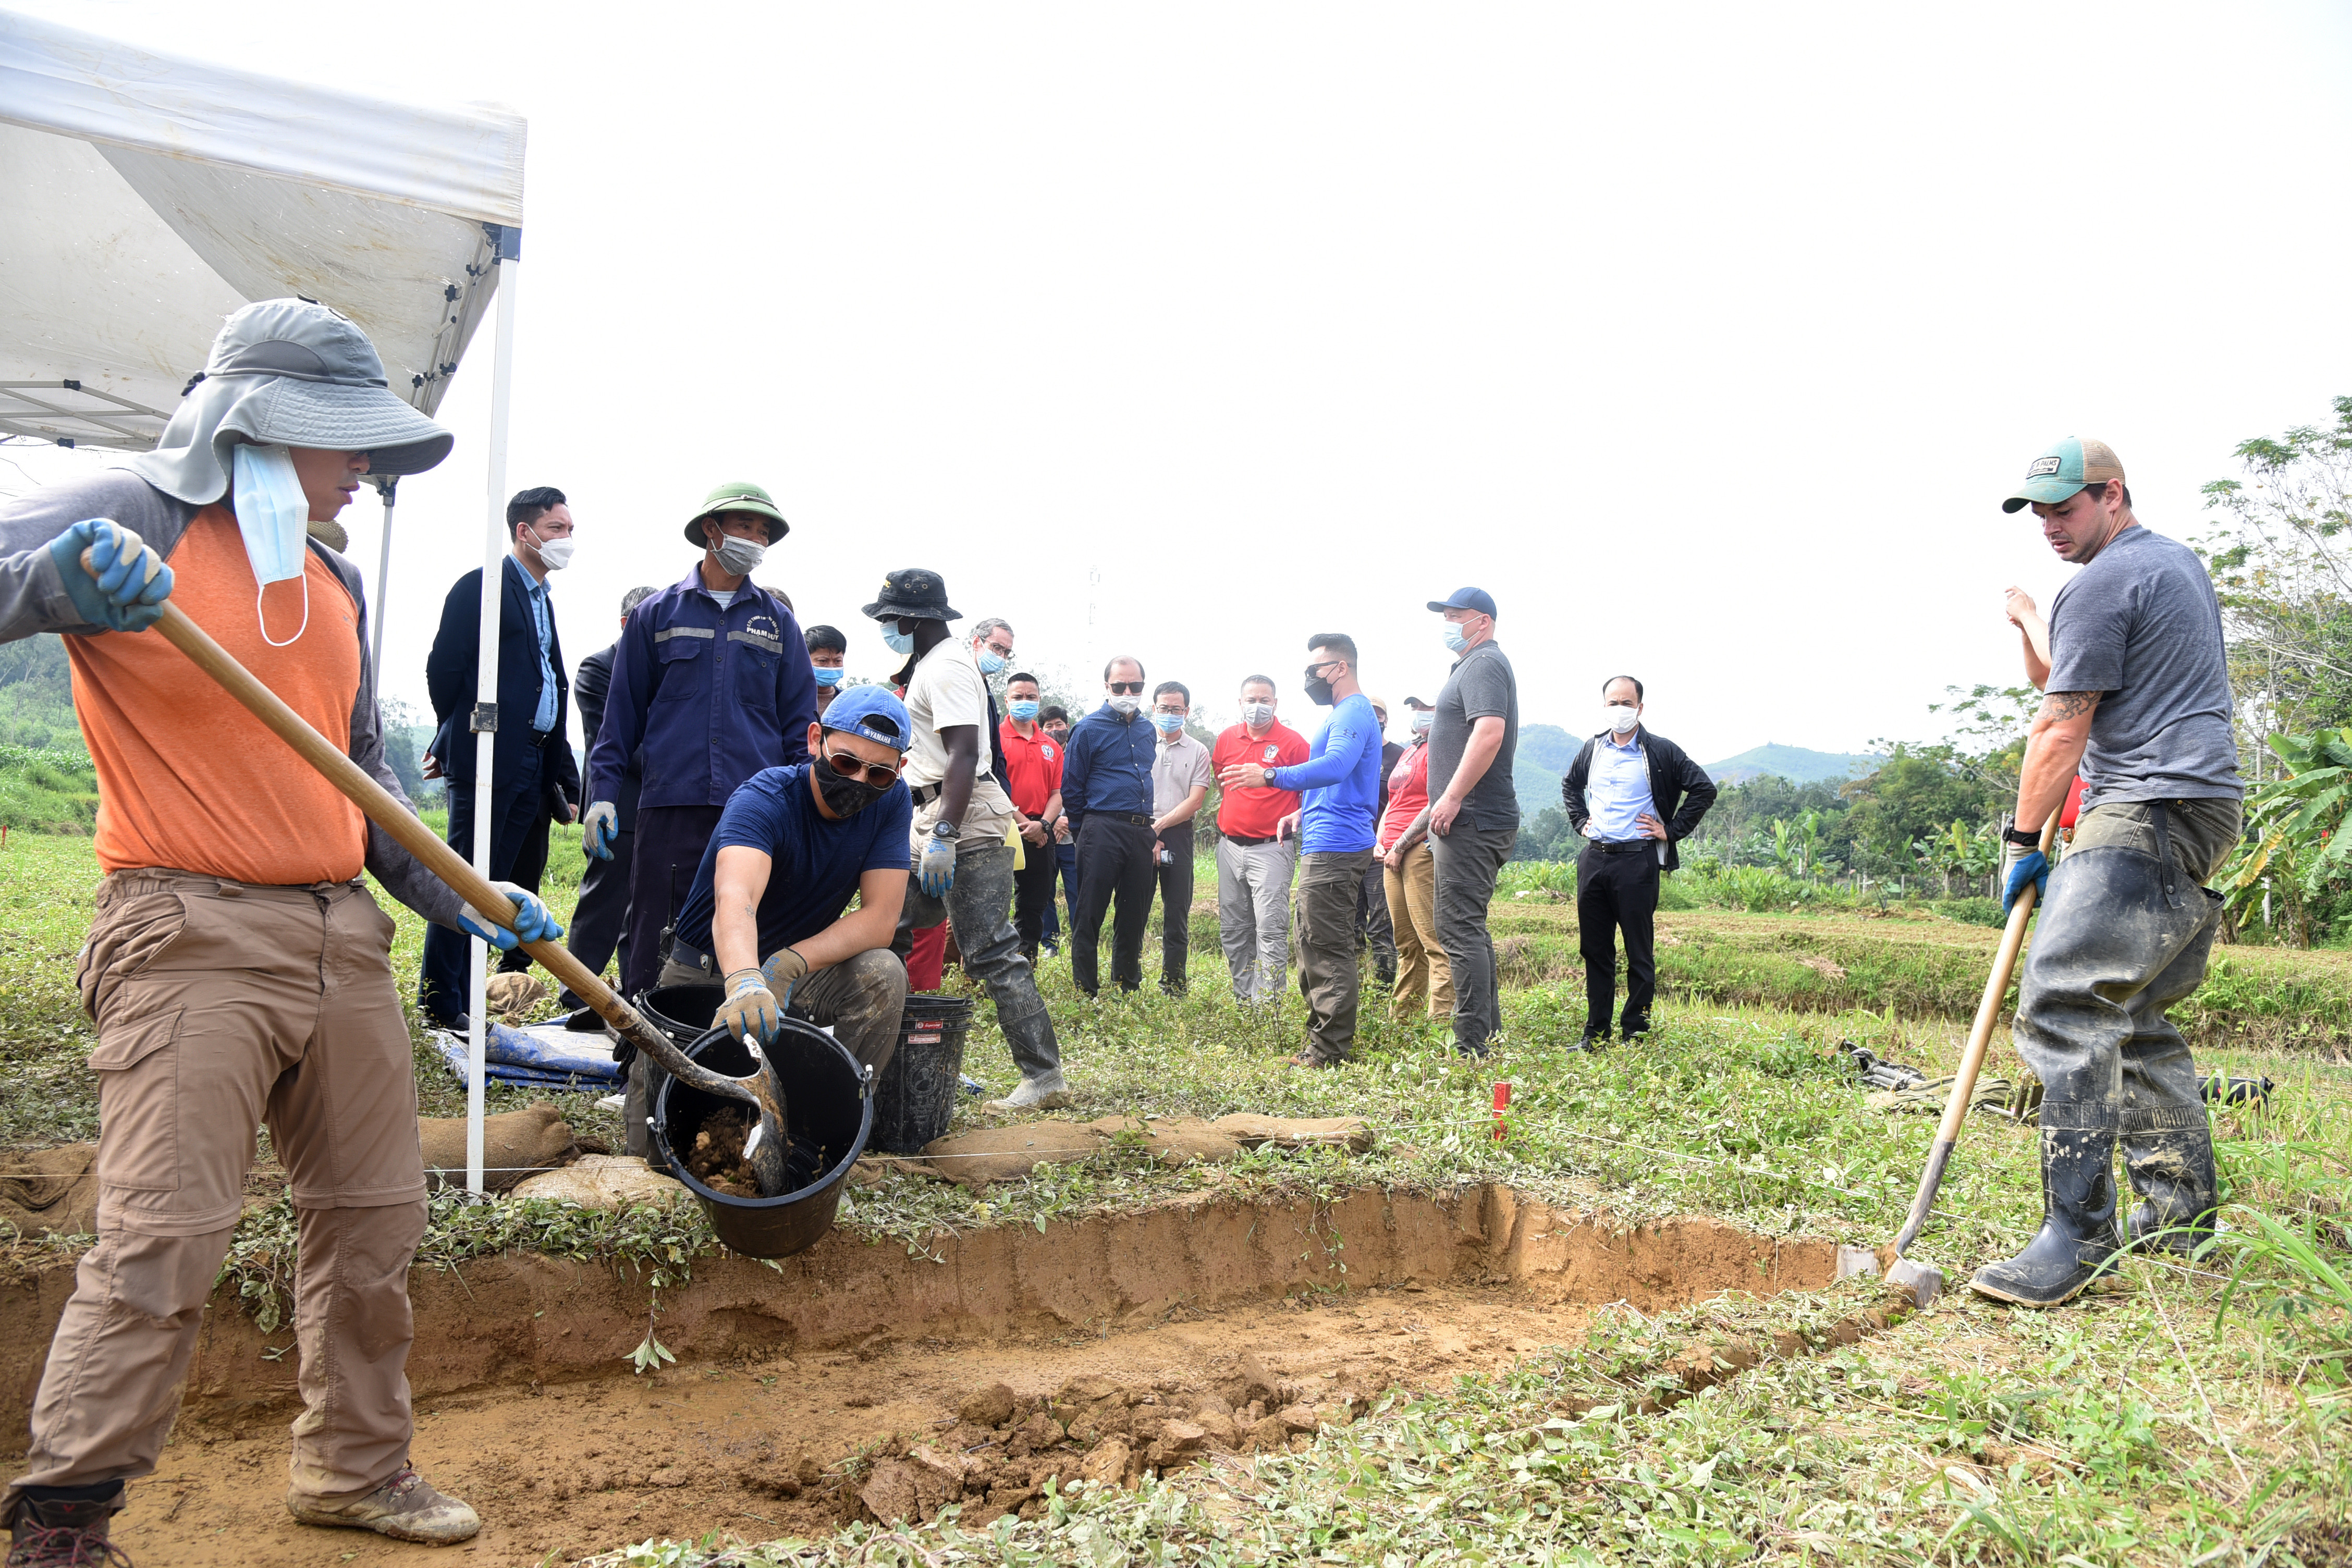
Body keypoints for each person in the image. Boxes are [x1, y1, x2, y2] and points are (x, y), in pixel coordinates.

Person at [0, 300, 557, 1555]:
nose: (364, 460)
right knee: (164, 1234)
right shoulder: (136, 515)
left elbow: (367, 787)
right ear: (257, 424)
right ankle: (64, 1516)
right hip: (184, 927)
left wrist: (465, 892)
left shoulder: (332, 573)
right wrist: (49, 586)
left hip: (338, 932)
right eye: (343, 435)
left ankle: (355, 1467)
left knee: (371, 1215)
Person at [1970, 439, 2243, 1308]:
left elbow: (2059, 722)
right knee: (2133, 1014)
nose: (2051, 524)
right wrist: (2028, 629)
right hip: (2198, 807)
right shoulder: (2171, 567)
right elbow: (2070, 680)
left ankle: (2074, 1237)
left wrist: (2020, 843)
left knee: (2063, 1000)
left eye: (2066, 506)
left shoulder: (2099, 582)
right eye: (2038, 511)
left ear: (2112, 494)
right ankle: (2176, 1216)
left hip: (2145, 806)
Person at [582, 482, 817, 1031]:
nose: (756, 539)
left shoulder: (778, 625)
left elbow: (797, 729)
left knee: (747, 928)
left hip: (754, 809)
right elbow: (620, 717)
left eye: (764, 532)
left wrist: (798, 808)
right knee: (652, 934)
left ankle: (736, 1057)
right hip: (671, 802)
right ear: (711, 530)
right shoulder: (656, 614)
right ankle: (639, 1062)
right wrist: (602, 796)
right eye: (746, 527)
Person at [866, 572, 1067, 1108]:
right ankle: (890, 1063)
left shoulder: (950, 666)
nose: (886, 628)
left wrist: (947, 834)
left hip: (965, 818)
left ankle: (1044, 1075)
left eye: (890, 619)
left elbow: (963, 754)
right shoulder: (931, 665)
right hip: (930, 812)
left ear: (913, 619)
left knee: (990, 949)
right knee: (893, 933)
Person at [653, 686, 914, 1076]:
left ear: (899, 769)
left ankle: (839, 1110)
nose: (860, 781)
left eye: (878, 773)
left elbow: (881, 917)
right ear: (815, 741)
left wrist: (789, 964)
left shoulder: (892, 801)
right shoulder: (765, 798)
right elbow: (735, 895)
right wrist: (744, 978)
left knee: (883, 972)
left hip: (796, 972)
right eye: (846, 763)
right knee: (664, 1119)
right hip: (709, 968)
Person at [418, 485, 583, 1027]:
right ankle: (441, 999)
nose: (566, 539)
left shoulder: (542, 598)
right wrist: (464, 731)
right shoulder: (485, 586)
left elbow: (547, 681)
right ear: (524, 532)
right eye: (557, 528)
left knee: (499, 882)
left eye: (569, 529)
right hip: (488, 754)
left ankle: (468, 993)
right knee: (464, 876)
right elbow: (445, 667)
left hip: (531, 760)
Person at [1219, 635, 1381, 1066]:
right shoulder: (1345, 712)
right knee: (1314, 939)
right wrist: (1304, 814)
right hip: (1326, 835)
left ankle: (1328, 1052)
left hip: (1337, 846)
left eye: (1317, 669)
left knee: (1326, 945)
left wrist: (1271, 776)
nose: (1311, 678)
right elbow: (1342, 785)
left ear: (1341, 668)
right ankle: (1322, 1040)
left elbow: (1337, 766)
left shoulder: (1352, 712)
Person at [1559, 677, 1717, 1046]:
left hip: (1637, 861)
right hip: (1595, 859)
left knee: (1638, 950)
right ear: (1604, 707)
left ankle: (1635, 1032)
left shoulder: (1660, 751)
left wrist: (1671, 829)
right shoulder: (1593, 749)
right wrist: (1580, 822)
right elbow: (1570, 785)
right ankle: (1595, 1033)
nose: (1620, 709)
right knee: (1595, 950)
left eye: (1627, 702)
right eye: (1613, 702)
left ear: (1640, 708)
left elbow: (1704, 789)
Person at [1422, 588, 1521, 1056]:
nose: (1447, 623)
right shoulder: (1471, 665)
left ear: (1481, 621)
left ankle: (1471, 1046)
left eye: (1455, 615)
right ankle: (1486, 1035)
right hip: (1471, 818)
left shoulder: (1484, 664)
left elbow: (1489, 732)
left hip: (1473, 818)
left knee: (1459, 928)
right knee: (1468, 928)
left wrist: (1454, 796)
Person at [559, 585, 657, 1017]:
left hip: (659, 804)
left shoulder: (666, 669)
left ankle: (635, 997)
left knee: (646, 907)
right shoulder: (599, 669)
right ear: (626, 624)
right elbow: (612, 742)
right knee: (604, 901)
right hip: (616, 802)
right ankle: (578, 996)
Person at [1061, 656, 1162, 996]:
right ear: (1107, 687)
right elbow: (1072, 787)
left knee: (1134, 910)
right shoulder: (1088, 729)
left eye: (1135, 686)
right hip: (1100, 827)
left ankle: (1126, 983)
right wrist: (1083, 833)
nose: (1127, 692)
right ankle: (1086, 989)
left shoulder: (1149, 731)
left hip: (1141, 829)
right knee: (1091, 910)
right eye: (1119, 686)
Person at [1209, 675, 1309, 1003]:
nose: (1257, 707)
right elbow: (1221, 780)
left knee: (1270, 928)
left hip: (1271, 848)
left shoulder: (1293, 743)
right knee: (1234, 929)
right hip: (1229, 847)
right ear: (1240, 703)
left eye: (1264, 701)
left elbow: (1311, 788)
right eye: (1251, 700)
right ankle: (1244, 996)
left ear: (1275, 704)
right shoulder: (1226, 740)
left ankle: (1269, 1005)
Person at [1378, 696, 1453, 1025]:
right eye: (1415, 707)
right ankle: (1404, 1022)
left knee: (1433, 942)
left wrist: (1402, 844)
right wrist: (1379, 840)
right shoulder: (1410, 750)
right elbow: (1393, 802)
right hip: (1390, 852)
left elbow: (1435, 802)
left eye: (1428, 708)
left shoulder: (1443, 749)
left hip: (1419, 851)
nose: (1419, 714)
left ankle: (1441, 1026)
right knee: (1407, 943)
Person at [1147, 681, 1214, 994]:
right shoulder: (1139, 744)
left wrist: (1158, 829)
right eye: (1164, 708)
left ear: (1186, 711)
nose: (1170, 714)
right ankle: (1126, 981)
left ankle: (1174, 984)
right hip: (1139, 832)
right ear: (1154, 709)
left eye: (1176, 709)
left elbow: (1196, 800)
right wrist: (1147, 832)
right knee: (1133, 908)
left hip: (1178, 834)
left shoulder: (1199, 751)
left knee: (1177, 913)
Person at [998, 670, 1066, 966]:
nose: (1024, 702)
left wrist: (1043, 825)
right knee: (994, 903)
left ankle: (1026, 964)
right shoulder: (993, 738)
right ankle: (985, 970)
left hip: (1041, 832)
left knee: (1034, 904)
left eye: (1030, 697)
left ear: (1039, 700)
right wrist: (1024, 823)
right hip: (1000, 827)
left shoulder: (1051, 746)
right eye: (1018, 697)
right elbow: (991, 786)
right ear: (1007, 700)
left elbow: (1058, 792)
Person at [1355, 695, 1402, 987]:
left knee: (1383, 927)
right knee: (1350, 926)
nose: (1375, 720)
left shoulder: (1400, 756)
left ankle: (1383, 992)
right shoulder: (1349, 753)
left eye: (1379, 715)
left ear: (1386, 720)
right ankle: (1355, 991)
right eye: (1368, 714)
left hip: (1382, 852)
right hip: (1350, 849)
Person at [1039, 705, 1080, 951]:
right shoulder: (1041, 757)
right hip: (1046, 836)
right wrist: (1054, 821)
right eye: (1049, 726)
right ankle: (1049, 943)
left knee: (1078, 894)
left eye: (1059, 725)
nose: (1055, 730)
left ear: (1067, 726)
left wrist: (1069, 821)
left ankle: (1080, 944)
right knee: (1045, 893)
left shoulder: (1078, 754)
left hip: (1074, 841)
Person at [805, 622, 848, 714]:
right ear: (805, 660)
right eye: (823, 661)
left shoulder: (847, 702)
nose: (831, 667)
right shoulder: (790, 699)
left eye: (837, 661)